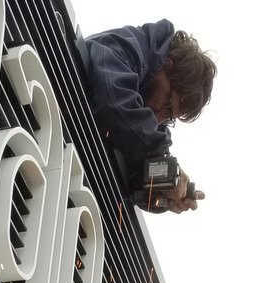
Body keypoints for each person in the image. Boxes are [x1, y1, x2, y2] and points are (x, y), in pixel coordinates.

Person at [80, 20, 216, 213]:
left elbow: (134, 176)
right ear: (167, 66)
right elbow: (114, 100)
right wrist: (162, 157)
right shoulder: (127, 47)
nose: (159, 119)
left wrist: (165, 188)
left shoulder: (149, 128)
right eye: (168, 106)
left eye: (170, 118)